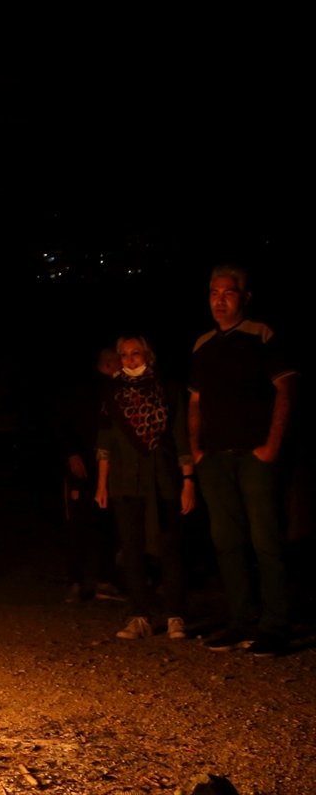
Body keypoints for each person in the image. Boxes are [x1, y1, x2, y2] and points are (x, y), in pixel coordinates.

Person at [189, 263, 297, 657]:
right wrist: (197, 449)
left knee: (265, 539)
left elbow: (286, 388)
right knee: (227, 541)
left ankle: (275, 626)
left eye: (228, 292)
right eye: (214, 293)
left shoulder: (261, 334)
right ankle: (241, 620)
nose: (220, 300)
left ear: (245, 297)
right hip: (215, 458)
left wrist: (271, 445)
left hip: (253, 455)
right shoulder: (203, 344)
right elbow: (195, 401)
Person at [95, 336, 195, 640]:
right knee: (132, 548)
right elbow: (105, 439)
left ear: (148, 355)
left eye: (135, 353)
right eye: (123, 355)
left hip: (162, 478)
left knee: (169, 547)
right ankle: (139, 615)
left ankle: (176, 615)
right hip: (125, 480)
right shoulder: (113, 393)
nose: (129, 359)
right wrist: (101, 483)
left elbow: (181, 435)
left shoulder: (167, 388)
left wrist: (188, 480)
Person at [51, 346, 123, 603]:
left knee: (109, 525)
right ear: (106, 361)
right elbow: (60, 422)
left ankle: (105, 580)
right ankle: (76, 581)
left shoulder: (120, 388)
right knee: (78, 526)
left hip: (111, 467)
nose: (121, 363)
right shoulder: (82, 388)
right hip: (82, 467)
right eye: (118, 359)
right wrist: (71, 453)